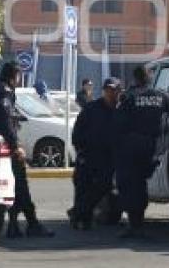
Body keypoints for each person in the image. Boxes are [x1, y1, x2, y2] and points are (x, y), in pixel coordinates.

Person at [0, 62, 54, 238]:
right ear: (14, 76)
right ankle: (32, 224)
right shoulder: (3, 92)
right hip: (5, 146)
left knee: (14, 187)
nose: (19, 81)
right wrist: (15, 146)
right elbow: (4, 122)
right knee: (20, 184)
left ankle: (15, 225)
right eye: (18, 77)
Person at [114, 66, 169, 237]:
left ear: (135, 78)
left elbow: (119, 123)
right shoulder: (160, 96)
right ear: (149, 78)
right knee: (140, 183)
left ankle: (135, 224)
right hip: (151, 145)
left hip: (131, 145)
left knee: (128, 184)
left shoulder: (129, 97)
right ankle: (138, 222)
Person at [71, 77, 121, 230]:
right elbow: (77, 131)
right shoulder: (92, 108)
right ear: (104, 91)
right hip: (88, 154)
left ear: (119, 92)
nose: (111, 94)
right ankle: (81, 219)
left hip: (108, 158)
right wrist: (80, 150)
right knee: (82, 186)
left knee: (103, 186)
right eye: (108, 90)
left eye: (114, 91)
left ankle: (78, 213)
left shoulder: (121, 110)